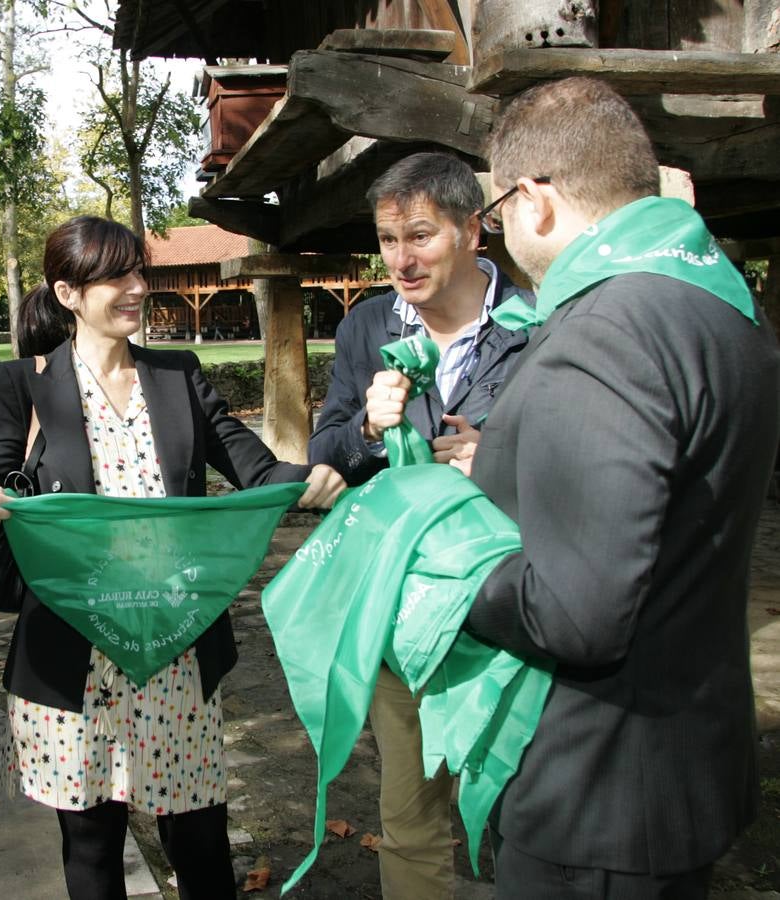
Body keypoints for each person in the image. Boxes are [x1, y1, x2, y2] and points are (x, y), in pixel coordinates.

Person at [0, 216, 346, 900]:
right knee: (93, 842)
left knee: (199, 836)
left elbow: (253, 467)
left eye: (139, 273)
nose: (135, 289)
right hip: (73, 655)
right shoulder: (25, 382)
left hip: (175, 648)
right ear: (67, 293)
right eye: (114, 277)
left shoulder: (177, 374)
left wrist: (315, 477)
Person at [461, 76, 780, 897]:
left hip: (595, 797)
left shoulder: (603, 329)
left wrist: (453, 571)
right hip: (679, 765)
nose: (499, 236)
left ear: (533, 200)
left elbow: (577, 616)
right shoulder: (719, 306)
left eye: (494, 215)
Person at [308, 151, 531, 899]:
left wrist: (497, 459)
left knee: (522, 820)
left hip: (513, 623)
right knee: (408, 823)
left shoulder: (541, 325)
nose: (401, 259)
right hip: (403, 619)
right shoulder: (367, 325)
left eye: (421, 236)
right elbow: (325, 450)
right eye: (388, 239)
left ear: (475, 229)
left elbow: (587, 467)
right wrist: (367, 430)